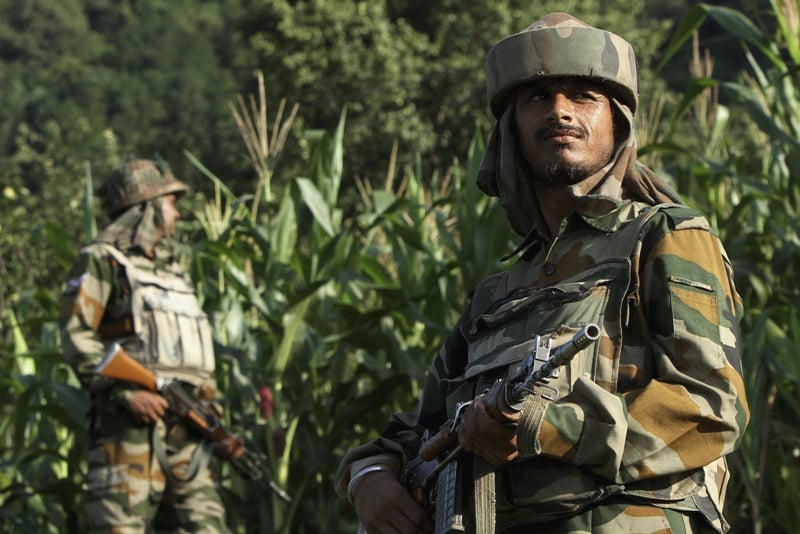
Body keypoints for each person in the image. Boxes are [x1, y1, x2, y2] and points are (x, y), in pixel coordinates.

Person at [335, 13, 749, 534]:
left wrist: (546, 427)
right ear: (511, 130)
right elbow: (424, 431)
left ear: (617, 121)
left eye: (583, 96)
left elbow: (711, 408)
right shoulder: (495, 295)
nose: (559, 111)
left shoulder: (665, 236)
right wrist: (370, 476)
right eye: (537, 98)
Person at [60, 158, 230, 533]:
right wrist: (125, 393)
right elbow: (76, 335)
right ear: (146, 207)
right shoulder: (103, 261)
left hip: (188, 438)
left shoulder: (173, 271)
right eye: (171, 202)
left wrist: (213, 421)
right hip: (128, 438)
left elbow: (195, 357)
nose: (178, 212)